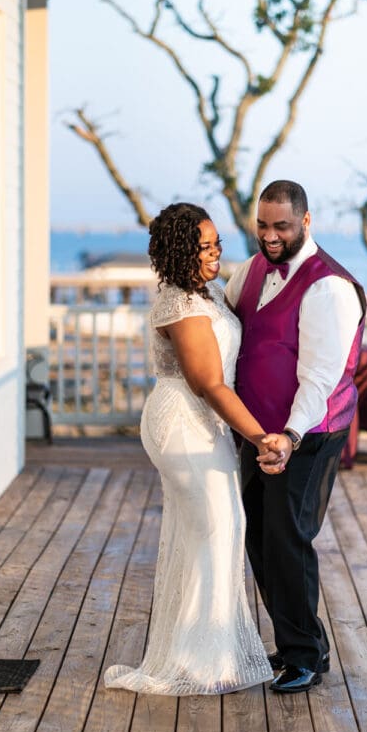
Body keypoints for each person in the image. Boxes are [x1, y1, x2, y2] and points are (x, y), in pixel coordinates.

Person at [104, 203, 287, 696]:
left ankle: (205, 653)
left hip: (203, 425)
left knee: (217, 530)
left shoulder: (198, 294)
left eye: (216, 244)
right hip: (184, 423)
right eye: (203, 247)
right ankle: (199, 662)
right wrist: (260, 436)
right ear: (181, 251)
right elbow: (208, 383)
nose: (214, 254)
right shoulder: (182, 307)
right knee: (216, 529)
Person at [226, 180, 367, 694]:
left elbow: (319, 377)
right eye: (262, 225)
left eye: (281, 226)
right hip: (258, 432)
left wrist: (288, 434)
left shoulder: (328, 287)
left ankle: (306, 654)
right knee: (259, 538)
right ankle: (294, 643)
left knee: (289, 538)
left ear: (306, 222)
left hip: (308, 433)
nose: (269, 236)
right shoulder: (250, 269)